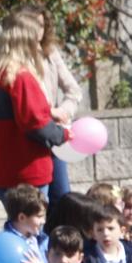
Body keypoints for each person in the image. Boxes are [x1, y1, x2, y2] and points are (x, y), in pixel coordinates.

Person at [0, 6, 67, 197]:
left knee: (17, 223)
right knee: (34, 225)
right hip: (28, 170)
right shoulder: (20, 76)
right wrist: (63, 134)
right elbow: (35, 124)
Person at [37, 13, 84, 199]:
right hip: (32, 135)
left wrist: (62, 112)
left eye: (41, 25)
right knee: (36, 204)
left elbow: (74, 91)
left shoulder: (50, 52)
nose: (37, 31)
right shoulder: (14, 60)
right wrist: (49, 111)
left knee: (62, 197)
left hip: (54, 134)